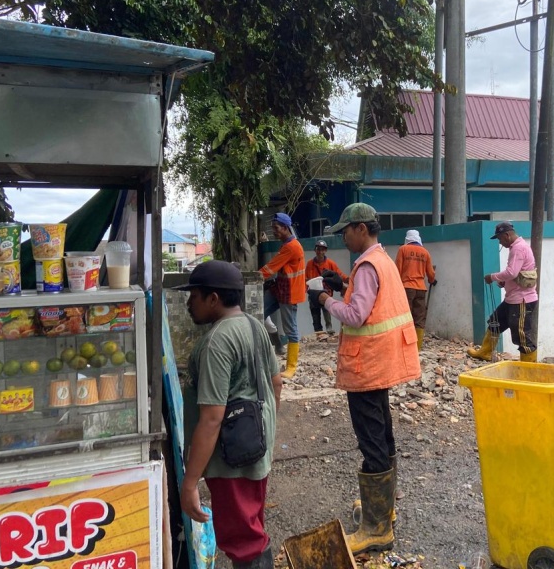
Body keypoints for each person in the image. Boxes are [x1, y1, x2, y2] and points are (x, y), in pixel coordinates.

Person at [308, 203, 420, 555]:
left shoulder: (368, 265)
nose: (343, 236)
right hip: (383, 362)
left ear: (360, 228)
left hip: (368, 365)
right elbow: (369, 304)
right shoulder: (381, 259)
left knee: (372, 441)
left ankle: (376, 529)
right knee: (382, 436)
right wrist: (342, 284)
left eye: (345, 230)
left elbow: (356, 316)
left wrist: (325, 298)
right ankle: (382, 510)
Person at [177, 260, 283, 569]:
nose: (188, 304)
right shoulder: (255, 325)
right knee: (250, 525)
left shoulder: (216, 342)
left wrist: (190, 482)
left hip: (229, 457)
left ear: (213, 299)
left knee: (243, 540)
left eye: (193, 296)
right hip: (255, 446)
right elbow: (276, 382)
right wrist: (265, 432)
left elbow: (212, 418)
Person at [467, 221, 539, 362]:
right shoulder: (517, 247)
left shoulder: (518, 248)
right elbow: (517, 273)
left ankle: (529, 367)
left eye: (500, 238)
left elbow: (511, 272)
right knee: (496, 321)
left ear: (507, 235)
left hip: (522, 300)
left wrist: (492, 277)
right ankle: (485, 352)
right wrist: (504, 282)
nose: (500, 242)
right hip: (512, 298)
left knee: (521, 335)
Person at [260, 212, 305, 378]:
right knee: (259, 312)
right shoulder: (288, 244)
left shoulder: (290, 247)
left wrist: (253, 278)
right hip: (281, 288)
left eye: (276, 228)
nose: (274, 231)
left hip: (289, 292)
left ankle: (291, 367)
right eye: (273, 228)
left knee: (290, 328)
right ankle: (277, 346)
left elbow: (271, 267)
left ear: (286, 228)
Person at [395, 229, 436, 350]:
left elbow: (398, 269)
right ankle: (417, 347)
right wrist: (432, 281)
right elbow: (431, 274)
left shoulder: (403, 249)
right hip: (421, 288)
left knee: (405, 316)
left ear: (407, 239)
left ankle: (404, 344)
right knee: (419, 317)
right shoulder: (425, 252)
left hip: (406, 287)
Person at [305, 239, 349, 340]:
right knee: (315, 315)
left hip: (326, 293)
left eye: (322, 250)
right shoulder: (310, 264)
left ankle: (329, 331)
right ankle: (318, 333)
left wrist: (348, 279)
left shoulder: (330, 263)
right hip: (314, 294)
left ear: (325, 251)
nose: (320, 252)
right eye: (318, 249)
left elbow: (339, 274)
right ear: (315, 250)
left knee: (327, 313)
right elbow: (305, 278)